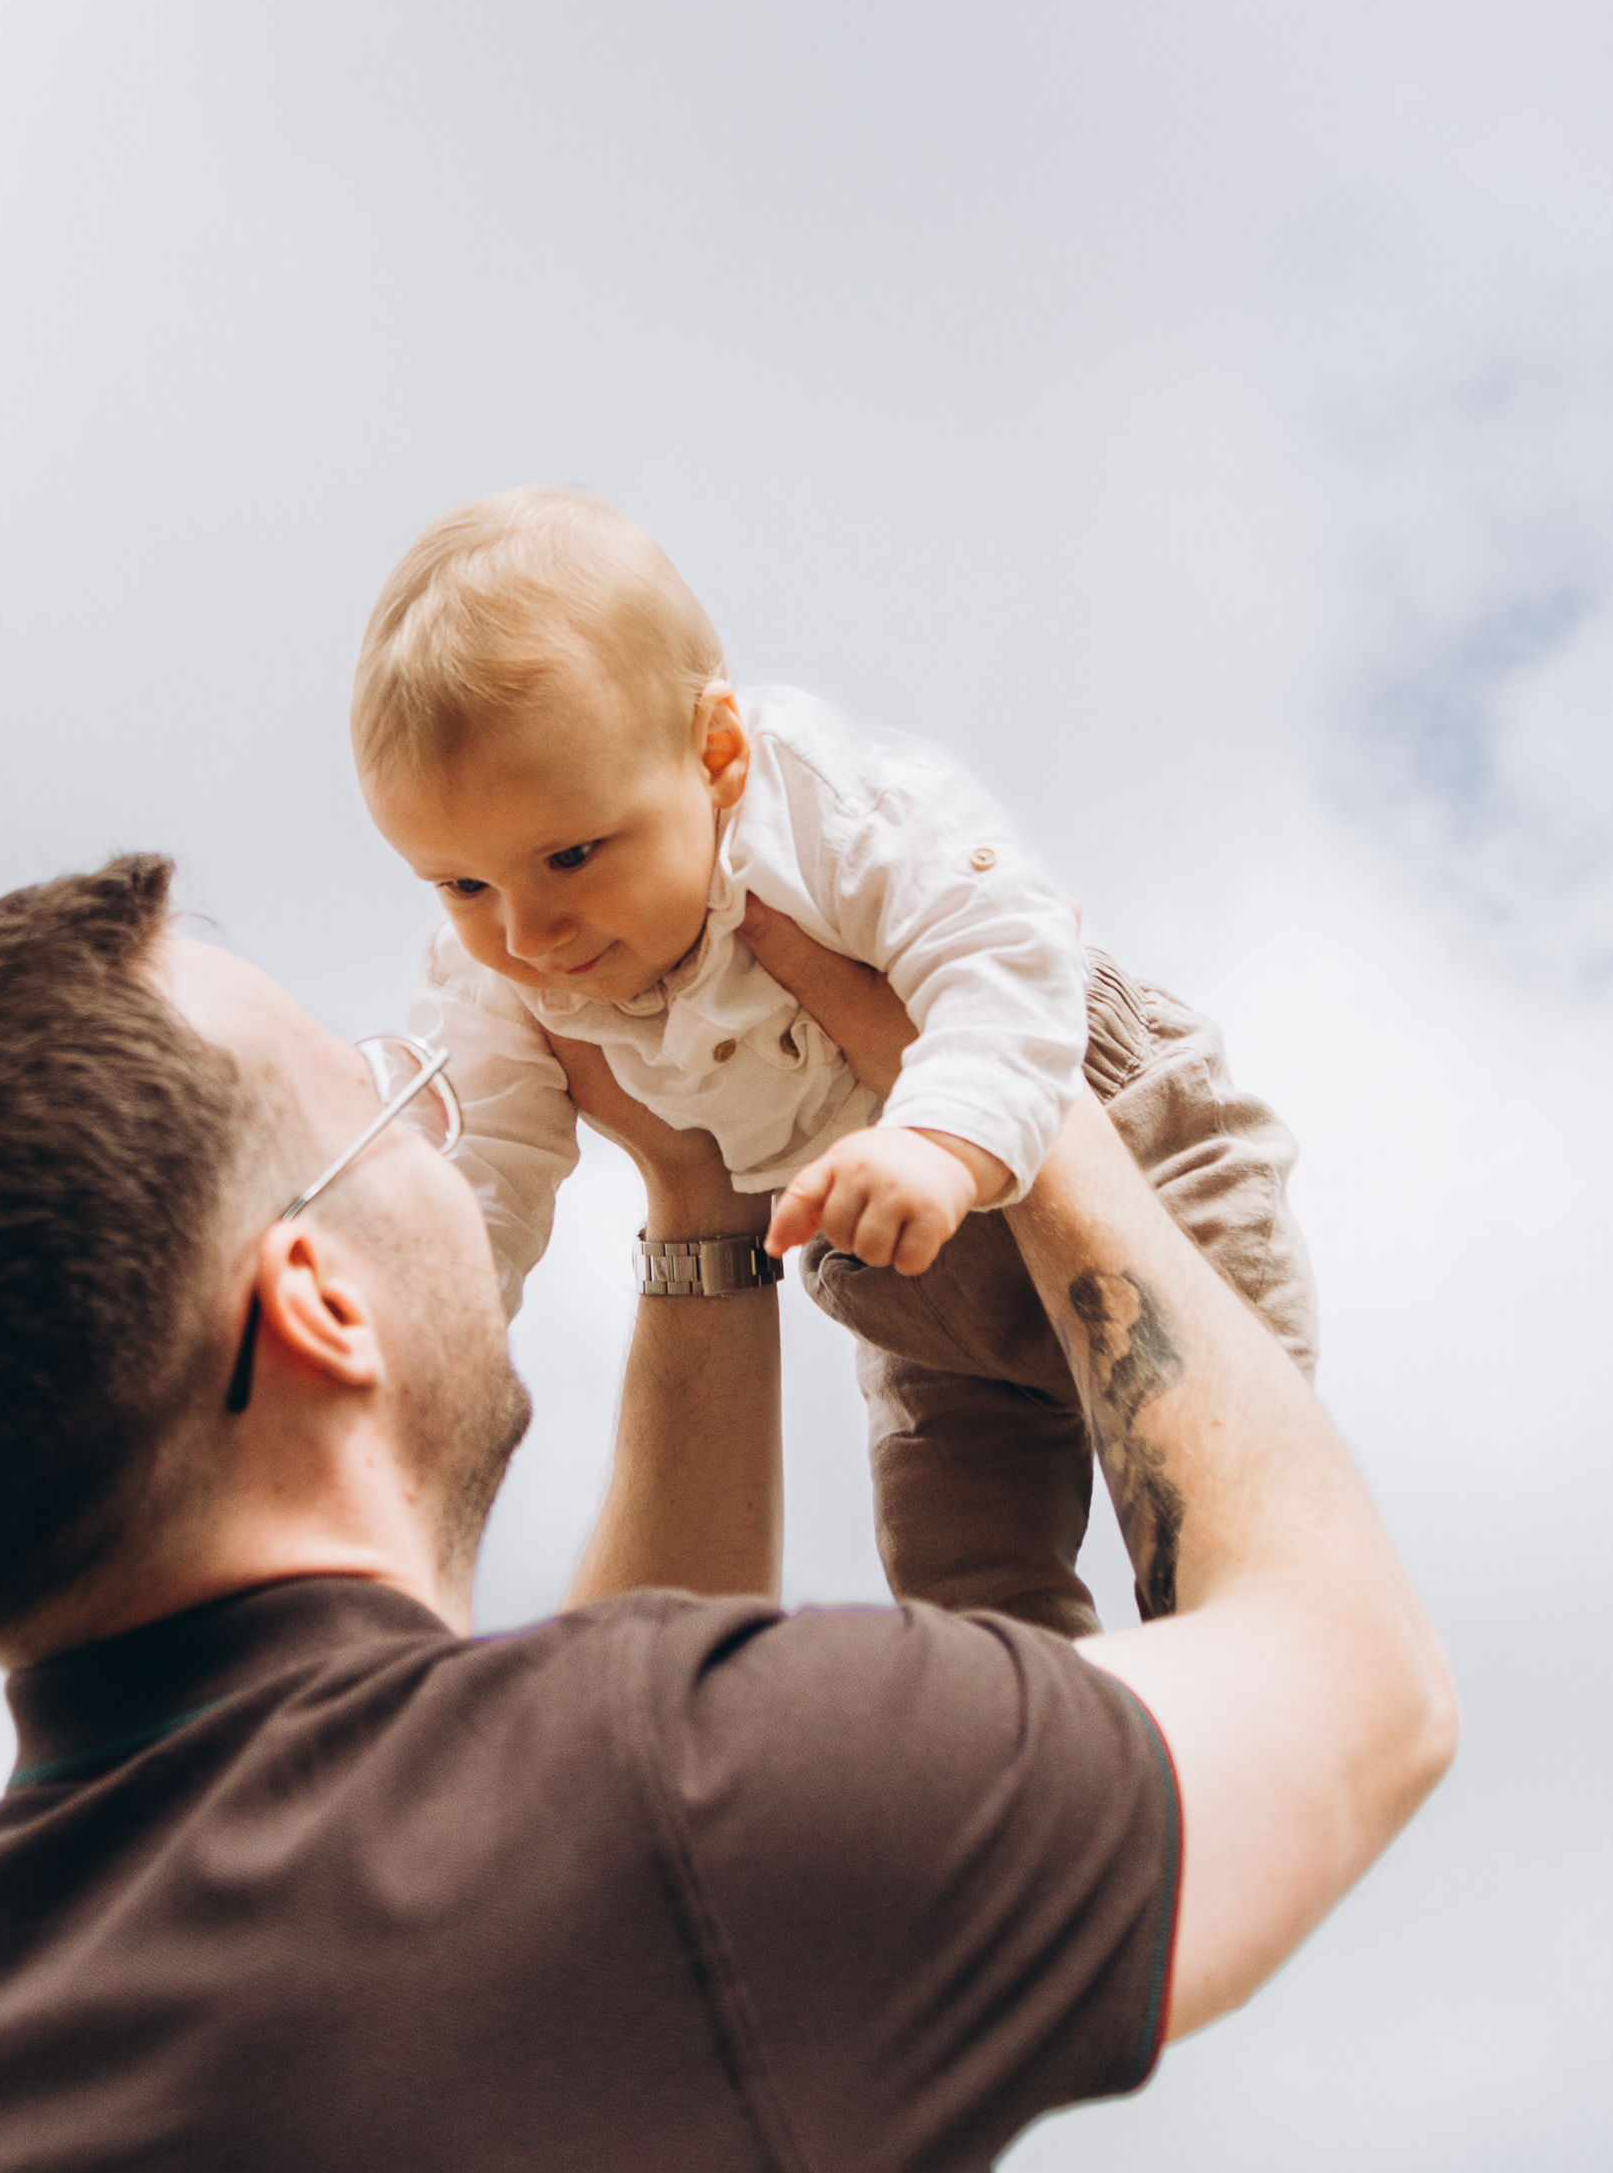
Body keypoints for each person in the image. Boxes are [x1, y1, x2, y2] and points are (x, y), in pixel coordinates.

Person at [0, 851, 1453, 2173]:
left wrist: (703, 1218)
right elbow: (1356, 1682)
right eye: (390, 1099)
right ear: (314, 1304)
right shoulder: (679, 1817)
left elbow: (577, 1952)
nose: (446, 1113)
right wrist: (1015, 1092)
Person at [355, 485, 1317, 1634]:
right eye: (460, 883)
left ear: (713, 752)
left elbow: (1004, 953)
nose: (527, 934)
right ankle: (1041, 1743)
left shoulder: (827, 809)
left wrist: (938, 1140)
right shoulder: (497, 974)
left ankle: (1232, 1654)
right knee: (957, 1575)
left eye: (569, 854)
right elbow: (482, 1165)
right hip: (908, 1276)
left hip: (1118, 1136)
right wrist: (420, 1340)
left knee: (1235, 1494)